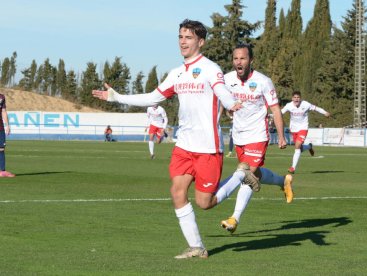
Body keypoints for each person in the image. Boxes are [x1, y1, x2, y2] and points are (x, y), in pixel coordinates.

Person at [92, 19, 249, 259]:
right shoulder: (176, 73)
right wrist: (118, 97)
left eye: (188, 37)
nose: (183, 42)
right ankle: (197, 247)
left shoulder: (210, 68)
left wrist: (231, 103)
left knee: (205, 203)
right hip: (184, 145)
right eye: (180, 37)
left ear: (201, 41)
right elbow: (153, 97)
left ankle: (241, 174)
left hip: (208, 146)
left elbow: (221, 90)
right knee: (177, 192)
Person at [215, 44, 293, 233]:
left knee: (247, 174)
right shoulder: (226, 79)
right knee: (255, 175)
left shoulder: (263, 81)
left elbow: (274, 109)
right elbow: (220, 102)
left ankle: (234, 218)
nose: (238, 62)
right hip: (239, 134)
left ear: (251, 61)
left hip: (258, 134)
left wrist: (281, 136)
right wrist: (219, 117)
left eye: (242, 58)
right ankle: (283, 181)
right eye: (235, 58)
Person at [282, 91, 330, 174]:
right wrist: (270, 116)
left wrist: (325, 112)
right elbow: (280, 113)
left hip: (303, 128)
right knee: (299, 148)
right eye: (295, 98)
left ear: (300, 98)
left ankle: (293, 168)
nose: (296, 99)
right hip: (293, 129)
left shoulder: (305, 104)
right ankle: (309, 146)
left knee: (297, 146)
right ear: (292, 98)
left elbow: (316, 108)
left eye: (298, 98)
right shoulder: (289, 105)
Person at [0, 93, 15, 177]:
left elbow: (4, 111)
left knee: (1, 149)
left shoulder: (1, 97)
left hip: (0, 127)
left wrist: (7, 125)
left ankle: (2, 171)